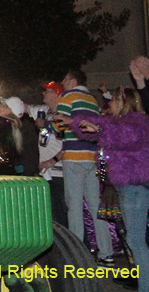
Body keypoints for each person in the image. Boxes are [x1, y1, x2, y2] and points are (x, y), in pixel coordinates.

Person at [63, 87, 149, 292]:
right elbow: (101, 125)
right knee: (134, 239)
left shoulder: (136, 122)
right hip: (125, 187)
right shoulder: (120, 123)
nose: (108, 104)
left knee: (136, 241)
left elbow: (126, 138)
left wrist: (100, 130)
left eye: (112, 101)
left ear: (122, 102)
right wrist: (72, 122)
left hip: (134, 188)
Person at [51, 69, 114, 265]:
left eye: (64, 78)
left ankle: (76, 256)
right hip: (92, 157)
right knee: (96, 206)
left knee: (74, 207)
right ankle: (106, 253)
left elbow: (59, 125)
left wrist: (51, 124)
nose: (62, 81)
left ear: (71, 79)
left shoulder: (67, 96)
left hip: (74, 157)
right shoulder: (92, 99)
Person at [26, 82, 68, 227]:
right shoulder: (44, 111)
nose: (43, 94)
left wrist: (52, 160)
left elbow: (69, 144)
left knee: (62, 211)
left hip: (60, 171)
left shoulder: (64, 116)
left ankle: (70, 244)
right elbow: (23, 107)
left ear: (57, 95)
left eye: (48, 91)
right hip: (46, 171)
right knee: (50, 212)